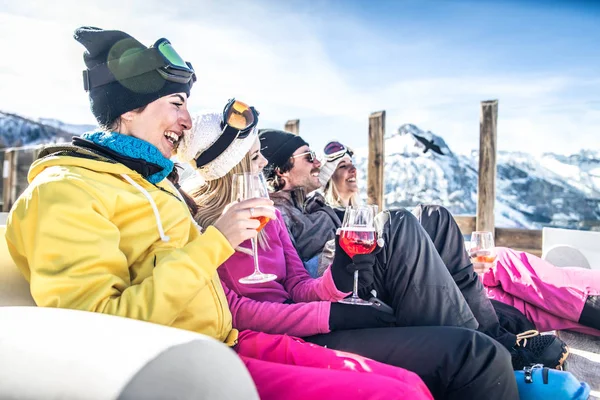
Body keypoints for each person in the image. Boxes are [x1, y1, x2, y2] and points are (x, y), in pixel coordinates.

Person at [4, 27, 434, 400]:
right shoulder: (66, 191)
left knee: (411, 385)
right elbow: (94, 328)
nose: (187, 120)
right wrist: (218, 242)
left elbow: (271, 288)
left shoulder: (151, 186)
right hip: (183, 359)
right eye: (176, 103)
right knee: (394, 394)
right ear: (128, 109)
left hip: (229, 340)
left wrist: (339, 277)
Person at [176, 106, 520, 400]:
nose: (264, 161)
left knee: (470, 347)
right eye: (254, 156)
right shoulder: (201, 230)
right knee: (473, 352)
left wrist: (335, 280)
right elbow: (235, 311)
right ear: (231, 172)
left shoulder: (271, 218)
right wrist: (330, 315)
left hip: (312, 319)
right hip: (284, 337)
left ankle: (480, 348)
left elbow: (297, 287)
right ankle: (482, 350)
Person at [259, 130, 570, 371]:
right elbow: (295, 272)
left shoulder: (314, 203)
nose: (317, 162)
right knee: (398, 221)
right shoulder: (277, 214)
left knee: (435, 216)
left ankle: (496, 337)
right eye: (308, 156)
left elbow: (329, 183)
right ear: (282, 172)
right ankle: (491, 352)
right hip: (343, 278)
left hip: (362, 262)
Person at [318, 140, 600, 337]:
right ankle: (589, 305)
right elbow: (325, 257)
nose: (353, 169)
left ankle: (589, 308)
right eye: (343, 166)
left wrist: (456, 252)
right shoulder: (320, 211)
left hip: (407, 264)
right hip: (377, 278)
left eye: (352, 163)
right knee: (504, 266)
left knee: (507, 289)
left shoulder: (364, 208)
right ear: (329, 176)